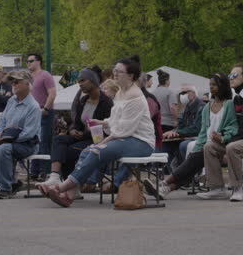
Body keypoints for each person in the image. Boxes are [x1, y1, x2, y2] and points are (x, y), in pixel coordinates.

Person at [37, 55, 156, 207]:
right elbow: (115, 121)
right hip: (125, 138)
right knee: (87, 150)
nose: (115, 73)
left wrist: (103, 142)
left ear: (131, 75)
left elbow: (124, 130)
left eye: (119, 71)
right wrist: (101, 122)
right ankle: (70, 195)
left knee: (96, 150)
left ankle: (61, 187)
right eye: (115, 70)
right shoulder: (120, 93)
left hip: (141, 142)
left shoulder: (136, 96)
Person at [143, 73, 238, 199]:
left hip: (222, 143)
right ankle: (166, 189)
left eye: (214, 85)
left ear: (223, 86)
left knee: (194, 160)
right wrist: (198, 146)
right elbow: (203, 132)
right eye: (210, 84)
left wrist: (222, 136)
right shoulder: (207, 107)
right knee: (194, 160)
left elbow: (233, 127)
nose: (211, 87)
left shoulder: (229, 104)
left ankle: (164, 183)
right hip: (207, 144)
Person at [198, 63, 243, 202]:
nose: (230, 78)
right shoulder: (238, 98)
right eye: (229, 75)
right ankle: (216, 188)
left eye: (234, 75)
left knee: (232, 147)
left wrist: (226, 140)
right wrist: (222, 136)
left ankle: (237, 188)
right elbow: (237, 127)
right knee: (209, 146)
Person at [35, 67, 113, 192]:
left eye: (83, 80)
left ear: (93, 81)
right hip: (80, 137)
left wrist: (85, 133)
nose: (80, 84)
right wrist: (72, 130)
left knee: (69, 151)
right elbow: (75, 122)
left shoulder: (107, 103)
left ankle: (71, 186)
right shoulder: (82, 100)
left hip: (97, 140)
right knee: (59, 139)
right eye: (79, 81)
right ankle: (55, 176)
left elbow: (109, 128)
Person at [0, 71, 41, 199]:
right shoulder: (11, 100)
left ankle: (6, 189)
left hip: (27, 144)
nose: (13, 84)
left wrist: (5, 141)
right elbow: (3, 120)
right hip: (8, 141)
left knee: (3, 149)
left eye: (16, 82)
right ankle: (9, 184)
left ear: (27, 84)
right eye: (12, 82)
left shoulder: (34, 107)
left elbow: (29, 133)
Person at [27, 53, 57, 181]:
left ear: (39, 61)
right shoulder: (28, 78)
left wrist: (46, 108)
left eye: (31, 61)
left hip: (44, 112)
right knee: (33, 141)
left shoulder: (45, 75)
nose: (28, 63)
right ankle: (34, 171)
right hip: (32, 113)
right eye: (27, 61)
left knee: (44, 141)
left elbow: (53, 93)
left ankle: (45, 171)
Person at [161, 85, 205, 170]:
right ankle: (172, 172)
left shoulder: (201, 107)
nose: (181, 95)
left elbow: (197, 129)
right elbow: (181, 125)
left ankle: (185, 173)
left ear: (193, 93)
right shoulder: (186, 108)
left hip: (197, 137)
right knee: (165, 143)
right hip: (186, 136)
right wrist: (173, 131)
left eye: (184, 93)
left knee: (183, 145)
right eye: (180, 93)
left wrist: (179, 132)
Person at [138, 72, 163, 150]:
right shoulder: (138, 96)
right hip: (141, 137)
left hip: (150, 138)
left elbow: (146, 120)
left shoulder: (148, 98)